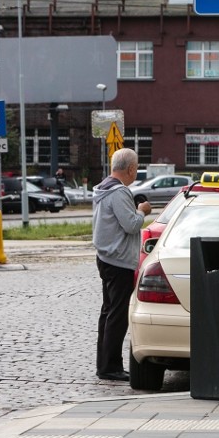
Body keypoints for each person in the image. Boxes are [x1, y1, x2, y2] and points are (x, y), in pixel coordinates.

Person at [93, 148, 152, 381]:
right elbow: (131, 224)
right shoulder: (119, 192)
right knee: (117, 315)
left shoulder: (103, 188)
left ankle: (104, 364)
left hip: (106, 257)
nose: (135, 172)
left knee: (108, 312)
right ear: (130, 169)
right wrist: (142, 211)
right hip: (118, 262)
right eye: (136, 168)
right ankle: (111, 367)